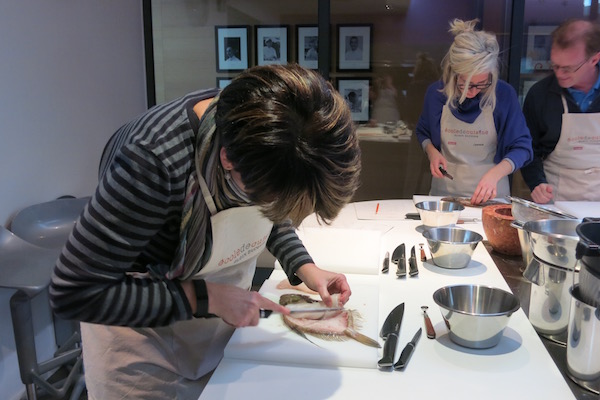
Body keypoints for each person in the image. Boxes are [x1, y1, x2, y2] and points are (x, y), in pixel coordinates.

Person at [49, 64, 361, 399]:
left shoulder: (269, 129)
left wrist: (305, 267)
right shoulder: (154, 161)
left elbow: (273, 207)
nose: (275, 209)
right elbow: (74, 292)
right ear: (227, 159)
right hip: (142, 337)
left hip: (220, 322)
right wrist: (203, 297)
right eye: (266, 198)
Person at [415, 19, 533, 205]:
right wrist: (432, 152)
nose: (472, 91)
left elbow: (523, 148)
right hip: (444, 196)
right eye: (465, 83)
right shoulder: (436, 94)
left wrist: (495, 174)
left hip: (492, 196)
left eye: (481, 84)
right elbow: (423, 131)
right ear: (453, 72)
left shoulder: (504, 95)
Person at [521, 19, 600, 203]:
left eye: (568, 68)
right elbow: (528, 149)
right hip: (556, 202)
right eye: (555, 65)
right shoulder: (540, 95)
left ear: (594, 59)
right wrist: (536, 183)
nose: (559, 74)